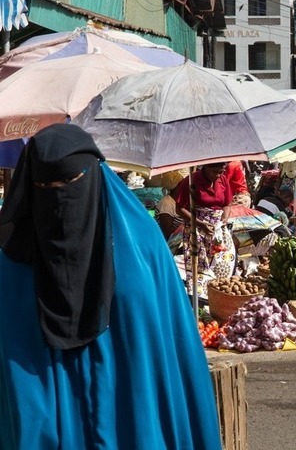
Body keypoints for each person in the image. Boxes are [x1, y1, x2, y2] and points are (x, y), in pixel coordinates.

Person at [0, 124, 221, 449]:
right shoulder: (12, 265)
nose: (59, 197)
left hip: (132, 416)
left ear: (95, 175)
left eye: (71, 182)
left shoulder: (142, 246)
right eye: (46, 185)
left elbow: (171, 351)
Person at [174, 161, 235, 297]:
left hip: (218, 230)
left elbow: (227, 204)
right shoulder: (191, 181)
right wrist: (200, 224)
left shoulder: (223, 179)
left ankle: (218, 296)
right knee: (198, 266)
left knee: (221, 262)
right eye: (215, 172)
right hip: (196, 229)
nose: (218, 175)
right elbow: (180, 209)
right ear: (205, 168)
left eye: (221, 171)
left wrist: (224, 218)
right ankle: (200, 298)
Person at [154, 169, 187, 240]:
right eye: (182, 183)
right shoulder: (166, 204)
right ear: (176, 187)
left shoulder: (181, 200)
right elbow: (167, 233)